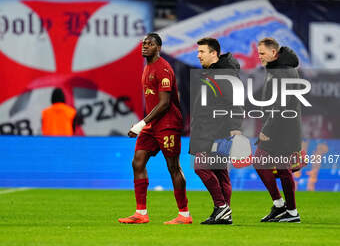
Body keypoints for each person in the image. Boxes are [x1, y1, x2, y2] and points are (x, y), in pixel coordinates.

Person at [118, 33, 191, 225]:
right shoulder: (147, 67)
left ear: (158, 48)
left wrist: (141, 124)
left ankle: (184, 214)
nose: (145, 46)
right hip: (152, 125)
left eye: (149, 44)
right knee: (138, 162)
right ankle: (141, 213)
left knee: (173, 167)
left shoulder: (163, 69)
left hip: (168, 124)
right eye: (143, 43)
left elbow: (165, 103)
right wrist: (145, 124)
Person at [190, 37, 243, 224]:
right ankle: (224, 214)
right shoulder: (214, 72)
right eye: (198, 52)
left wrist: (235, 127)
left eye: (202, 52)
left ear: (214, 53)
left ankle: (221, 207)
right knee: (220, 172)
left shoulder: (223, 74)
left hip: (216, 130)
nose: (198, 55)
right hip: (210, 128)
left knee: (200, 166)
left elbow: (236, 102)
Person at [254, 37, 302, 223]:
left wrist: (267, 128)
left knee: (269, 165)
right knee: (280, 168)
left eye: (262, 53)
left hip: (283, 130)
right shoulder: (279, 69)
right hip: (282, 127)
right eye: (259, 53)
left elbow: (283, 105)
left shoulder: (283, 72)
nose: (259, 57)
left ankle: (287, 209)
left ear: (274, 53)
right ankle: (285, 208)